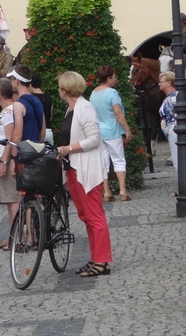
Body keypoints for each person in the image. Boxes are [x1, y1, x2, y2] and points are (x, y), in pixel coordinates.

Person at [56, 71, 112, 278]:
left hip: (85, 168)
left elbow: (94, 139)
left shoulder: (84, 107)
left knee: (94, 215)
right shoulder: (71, 109)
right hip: (74, 168)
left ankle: (102, 260)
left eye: (60, 86)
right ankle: (96, 258)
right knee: (86, 216)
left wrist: (67, 149)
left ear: (65, 89)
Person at [90, 66, 132, 202]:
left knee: (103, 162)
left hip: (99, 131)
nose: (116, 79)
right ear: (108, 78)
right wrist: (127, 129)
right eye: (114, 77)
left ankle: (106, 191)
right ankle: (122, 190)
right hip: (112, 130)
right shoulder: (112, 93)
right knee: (119, 160)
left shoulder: (93, 93)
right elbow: (118, 113)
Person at [0, 78, 20, 250]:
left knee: (13, 200)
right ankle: (13, 235)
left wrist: (5, 162)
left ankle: (17, 236)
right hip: (0, 161)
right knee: (9, 201)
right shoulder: (5, 111)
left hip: (4, 162)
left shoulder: (8, 112)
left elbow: (9, 139)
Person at [158, 71, 178, 179]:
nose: (159, 84)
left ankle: (184, 187)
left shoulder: (174, 97)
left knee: (178, 160)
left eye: (161, 81)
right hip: (171, 132)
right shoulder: (168, 97)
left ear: (169, 83)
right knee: (177, 159)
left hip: (174, 131)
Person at [30, 73, 54, 144]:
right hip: (49, 131)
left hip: (38, 133)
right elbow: (51, 115)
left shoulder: (32, 99)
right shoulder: (48, 97)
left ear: (30, 84)